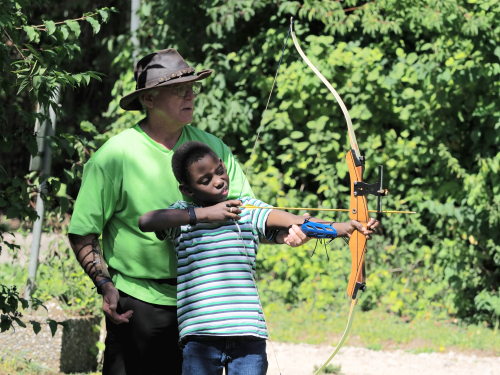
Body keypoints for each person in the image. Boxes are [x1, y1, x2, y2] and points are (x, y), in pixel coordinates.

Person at [67, 49, 309, 375]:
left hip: (207, 308)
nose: (190, 95)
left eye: (193, 88)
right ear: (149, 99)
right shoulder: (114, 156)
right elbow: (83, 230)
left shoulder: (211, 149)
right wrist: (105, 285)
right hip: (140, 305)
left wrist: (285, 234)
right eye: (179, 89)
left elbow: (245, 216)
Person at [138, 141, 379, 375]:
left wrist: (346, 227)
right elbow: (146, 221)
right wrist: (204, 214)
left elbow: (296, 221)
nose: (218, 180)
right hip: (201, 336)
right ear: (188, 190)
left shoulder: (246, 210)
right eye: (205, 180)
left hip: (248, 335)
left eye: (219, 171)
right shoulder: (183, 218)